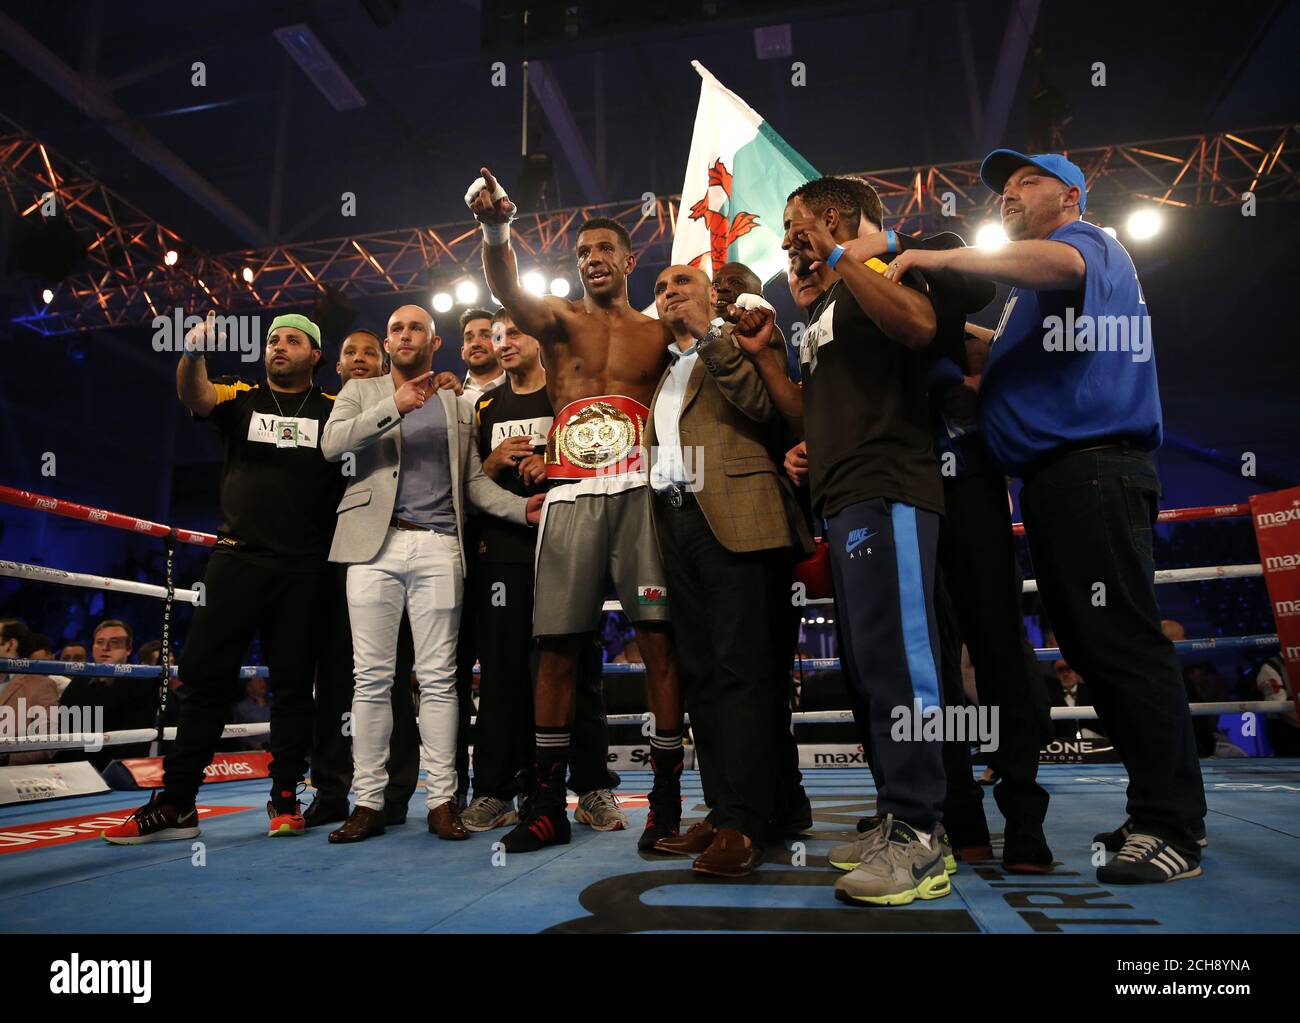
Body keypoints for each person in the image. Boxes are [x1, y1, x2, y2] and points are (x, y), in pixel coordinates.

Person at [885, 149, 1208, 884]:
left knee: (1121, 644)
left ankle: (1172, 825)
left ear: (1071, 194)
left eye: (1025, 181)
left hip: (1093, 468)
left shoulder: (1087, 244)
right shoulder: (1025, 304)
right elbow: (992, 350)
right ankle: (1156, 805)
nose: (1007, 194)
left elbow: (1058, 267)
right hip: (1059, 482)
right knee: (1096, 650)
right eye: (1001, 187)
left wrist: (943, 253)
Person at [831, 176, 1054, 872]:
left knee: (996, 645)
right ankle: (949, 814)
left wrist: (890, 247)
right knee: (915, 662)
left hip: (962, 478)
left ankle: (1022, 814)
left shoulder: (928, 258)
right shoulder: (842, 302)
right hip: (893, 484)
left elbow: (964, 284)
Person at [467, 166, 684, 854]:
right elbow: (505, 285)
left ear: (628, 261)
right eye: (582, 253)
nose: (591, 260)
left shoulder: (658, 335)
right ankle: (544, 800)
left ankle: (668, 799)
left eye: (602, 251)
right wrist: (497, 227)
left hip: (640, 492)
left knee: (657, 642)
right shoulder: (557, 322)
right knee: (555, 647)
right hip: (568, 496)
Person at [751, 177, 951, 906]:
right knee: (870, 666)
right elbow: (815, 410)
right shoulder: (831, 303)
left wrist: (840, 253)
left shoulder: (888, 268)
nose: (787, 242)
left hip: (890, 485)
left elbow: (922, 327)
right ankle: (900, 811)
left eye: (795, 225)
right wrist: (771, 356)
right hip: (846, 498)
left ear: (831, 217)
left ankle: (923, 834)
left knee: (901, 661)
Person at [104, 312, 343, 844]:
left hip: (305, 567)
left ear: (316, 355)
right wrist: (193, 353)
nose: (279, 346)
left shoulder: (335, 410)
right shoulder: (241, 397)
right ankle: (178, 802)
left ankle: (285, 795)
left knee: (291, 689)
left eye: (293, 340)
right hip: (235, 559)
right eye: (274, 339)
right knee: (205, 681)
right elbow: (196, 396)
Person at [320, 303, 542, 844]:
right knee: (371, 679)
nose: (403, 334)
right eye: (395, 327)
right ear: (389, 340)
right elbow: (331, 447)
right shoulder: (362, 392)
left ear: (432, 341)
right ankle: (368, 802)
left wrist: (521, 509)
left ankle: (442, 799)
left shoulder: (457, 404)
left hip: (441, 544)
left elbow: (472, 483)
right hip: (374, 545)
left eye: (415, 327)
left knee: (441, 680)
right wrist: (393, 405)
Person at [643, 264, 814, 877]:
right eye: (660, 288)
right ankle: (724, 810)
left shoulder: (736, 341)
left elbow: (765, 408)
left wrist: (713, 333)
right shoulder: (662, 368)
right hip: (676, 524)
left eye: (681, 283)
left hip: (742, 516)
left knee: (744, 670)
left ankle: (746, 823)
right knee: (704, 674)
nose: (669, 294)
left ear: (710, 293)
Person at [465, 309, 625, 833]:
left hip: (569, 544)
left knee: (577, 670)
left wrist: (552, 464)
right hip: (504, 553)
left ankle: (593, 786)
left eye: (514, 333)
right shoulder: (483, 405)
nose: (503, 342)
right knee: (503, 672)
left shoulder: (566, 395)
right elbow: (467, 482)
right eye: (496, 336)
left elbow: (607, 452)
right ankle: (495, 790)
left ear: (540, 340)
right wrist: (490, 467)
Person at [307, 327, 422, 829]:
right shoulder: (337, 406)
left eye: (368, 352)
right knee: (336, 675)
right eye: (348, 351)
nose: (358, 358)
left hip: (387, 551)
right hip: (333, 551)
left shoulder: (404, 406)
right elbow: (329, 450)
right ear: (336, 364)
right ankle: (330, 788)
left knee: (393, 673)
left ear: (385, 361)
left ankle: (394, 792)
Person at [233, 676, 272, 750]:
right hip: (252, 753)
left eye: (263, 681)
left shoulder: (274, 705)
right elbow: (236, 732)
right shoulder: (241, 707)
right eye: (259, 681)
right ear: (249, 687)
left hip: (275, 750)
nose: (263, 684)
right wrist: (252, 744)